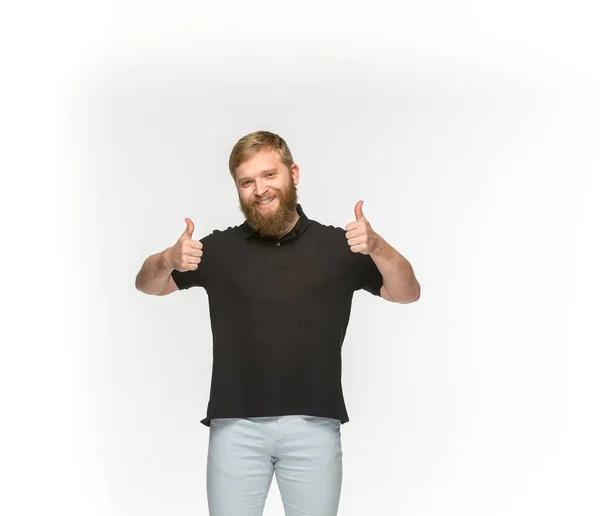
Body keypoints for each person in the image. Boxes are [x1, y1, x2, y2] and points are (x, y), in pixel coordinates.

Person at [135, 131, 420, 516]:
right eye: (247, 182)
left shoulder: (340, 247)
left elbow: (406, 292)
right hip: (236, 429)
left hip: (314, 427)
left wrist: (377, 246)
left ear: (293, 173)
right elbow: (148, 285)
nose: (260, 189)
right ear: (238, 189)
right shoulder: (218, 250)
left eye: (270, 175)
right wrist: (168, 257)